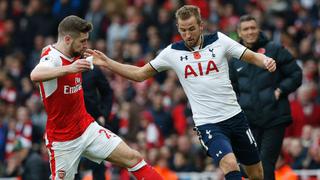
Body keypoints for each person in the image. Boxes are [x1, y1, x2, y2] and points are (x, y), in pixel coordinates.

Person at [85, 5, 277, 180]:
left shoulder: (219, 40)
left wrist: (265, 61)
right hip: (208, 123)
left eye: (192, 29)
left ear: (201, 26)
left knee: (257, 174)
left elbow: (251, 56)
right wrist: (107, 62)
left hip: (235, 117)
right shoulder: (172, 53)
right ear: (178, 29)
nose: (188, 34)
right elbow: (139, 74)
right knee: (229, 163)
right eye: (183, 30)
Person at [30, 15, 163, 180]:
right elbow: (35, 74)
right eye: (82, 41)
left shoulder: (75, 54)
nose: (86, 45)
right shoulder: (52, 58)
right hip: (63, 141)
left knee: (134, 158)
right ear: (67, 39)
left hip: (87, 128)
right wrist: (69, 69)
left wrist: (105, 61)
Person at [229, 15, 302, 180]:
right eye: (246, 29)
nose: (250, 32)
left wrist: (281, 89)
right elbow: (231, 87)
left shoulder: (274, 49)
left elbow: (296, 73)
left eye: (253, 28)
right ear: (239, 33)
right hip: (250, 121)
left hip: (274, 117)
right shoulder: (235, 59)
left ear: (258, 29)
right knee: (251, 165)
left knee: (266, 163)